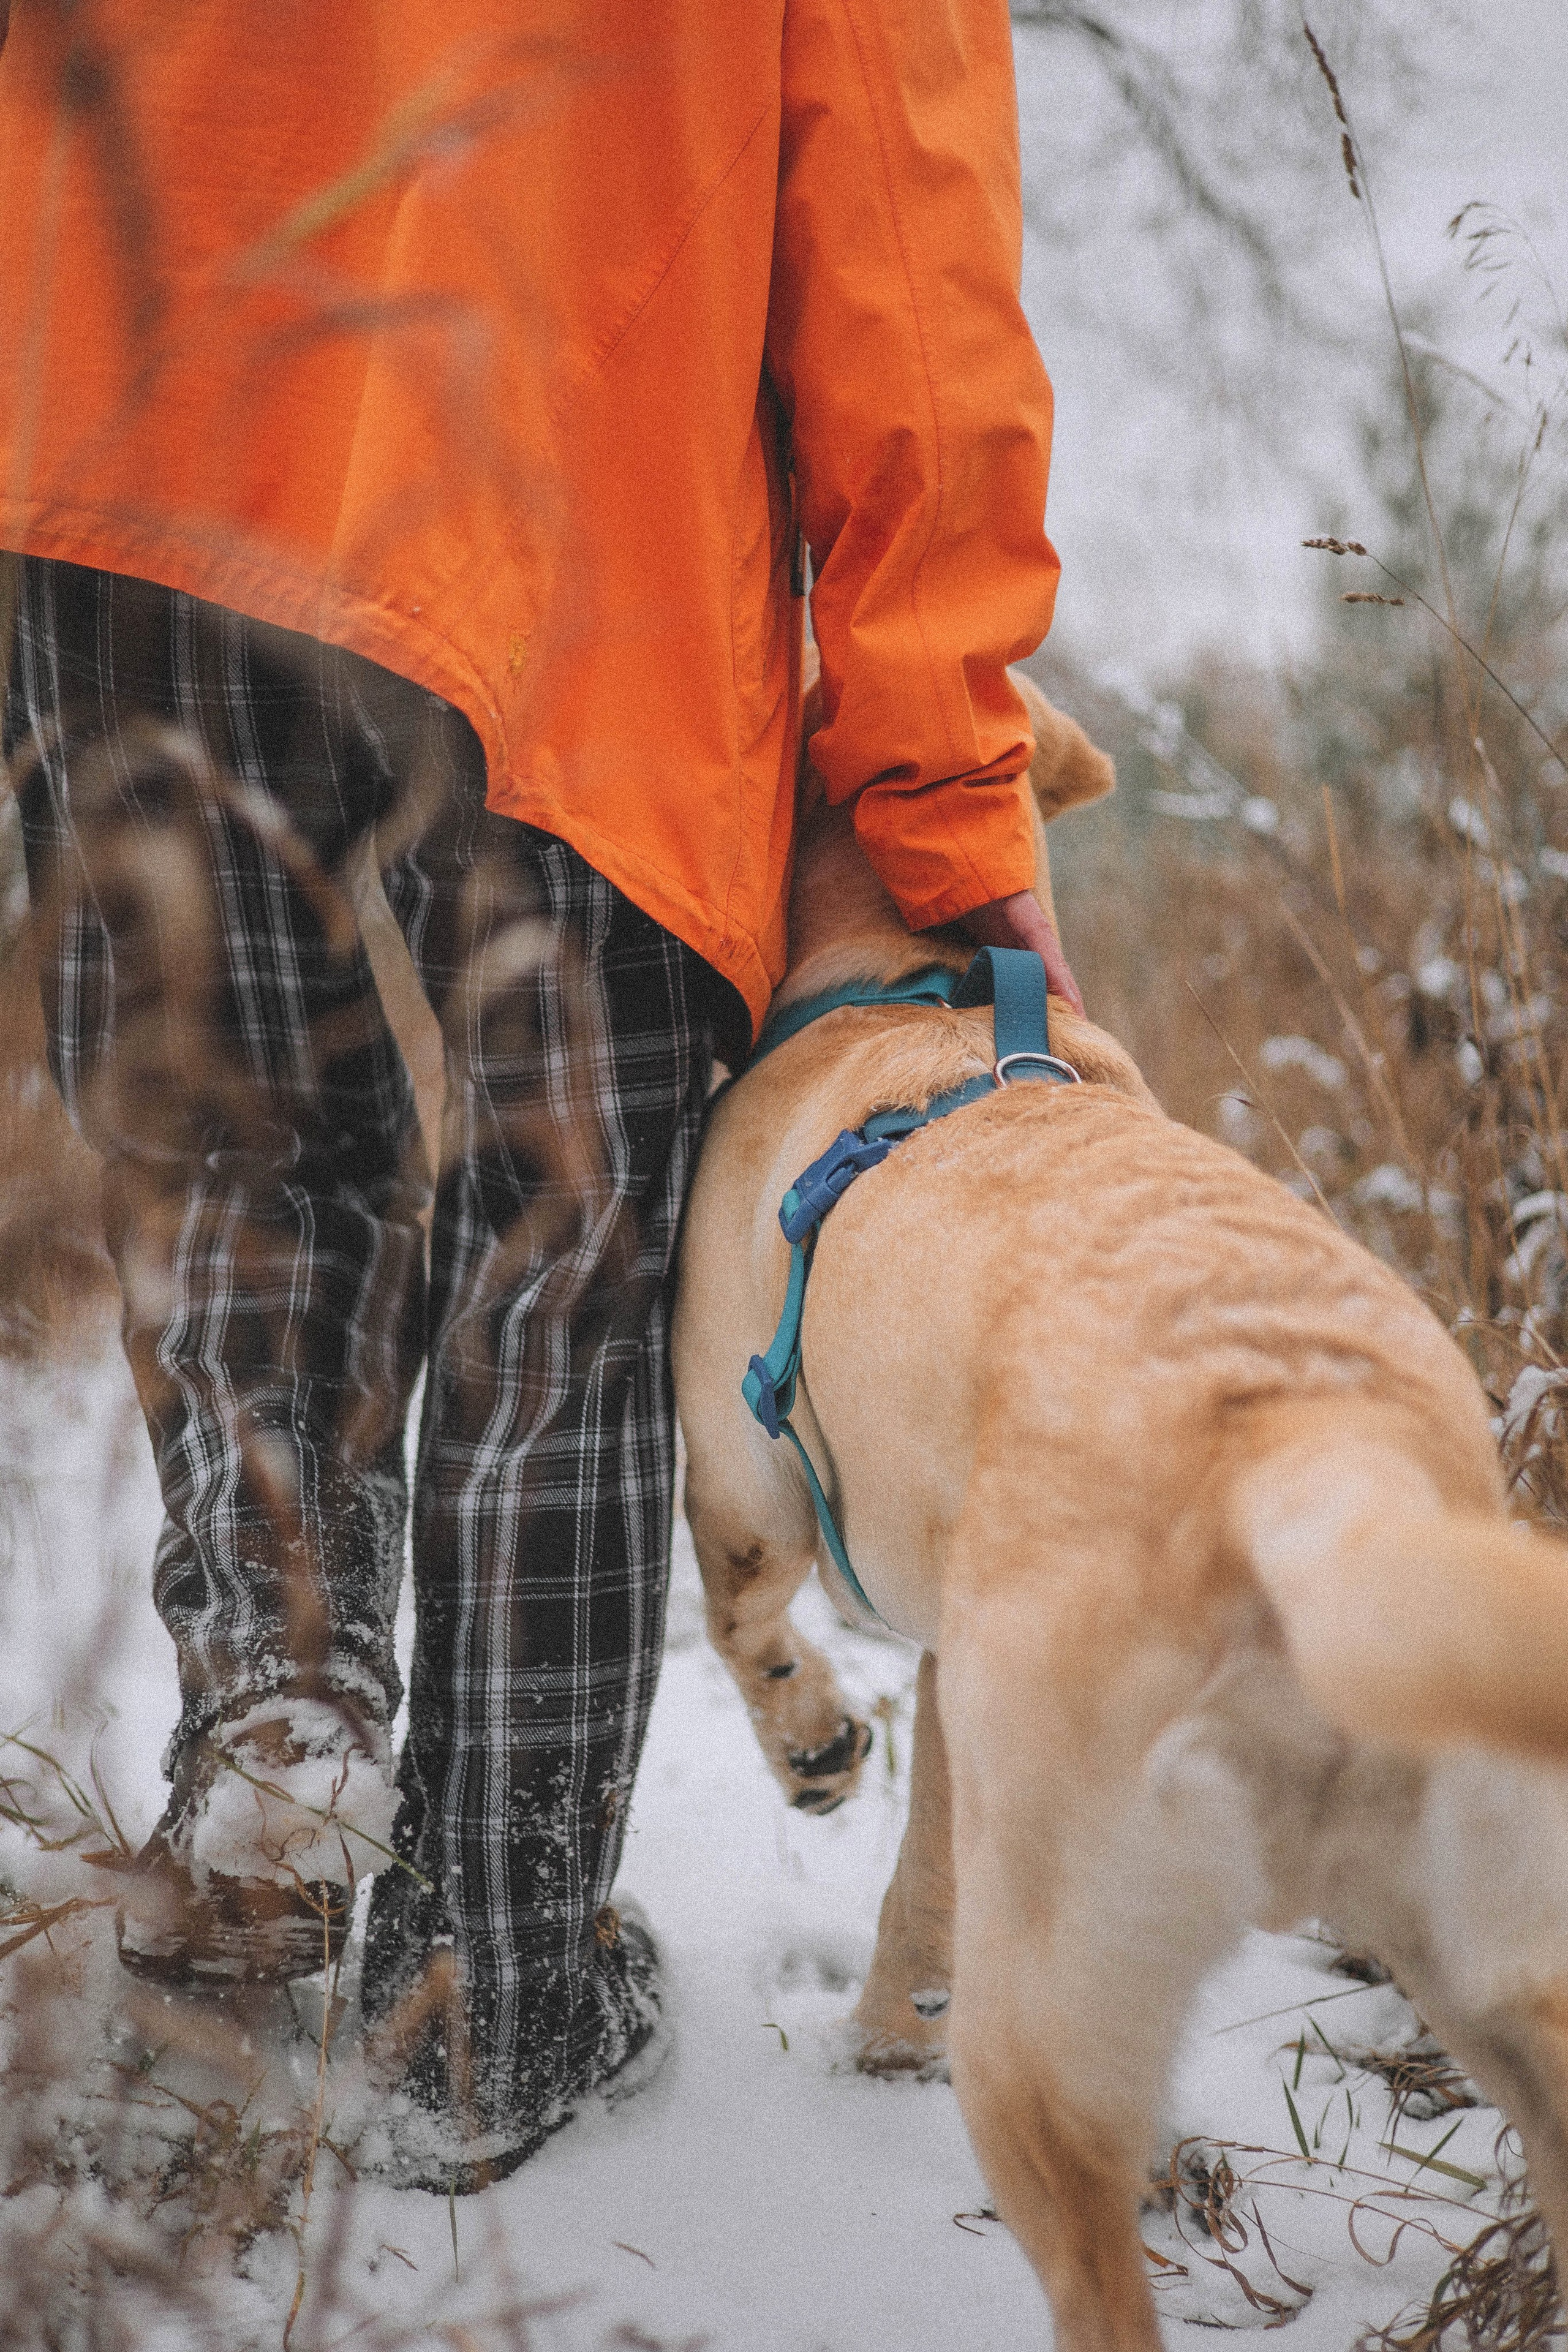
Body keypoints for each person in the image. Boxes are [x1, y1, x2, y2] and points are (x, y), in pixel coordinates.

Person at [0, 0, 1077, 2187]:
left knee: (223, 1147)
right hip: (562, 503)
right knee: (551, 1248)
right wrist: (953, 832)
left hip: (110, 432)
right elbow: (907, 260)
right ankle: (490, 1999)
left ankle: (286, 1726)